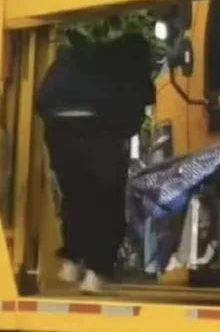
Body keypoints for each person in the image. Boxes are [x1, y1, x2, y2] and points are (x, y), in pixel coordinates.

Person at [35, 31, 155, 294]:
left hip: (58, 129)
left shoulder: (76, 60)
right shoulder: (128, 63)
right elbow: (132, 111)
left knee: (76, 196)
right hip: (97, 130)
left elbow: (42, 100)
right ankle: (96, 271)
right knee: (106, 201)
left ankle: (72, 260)